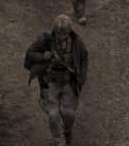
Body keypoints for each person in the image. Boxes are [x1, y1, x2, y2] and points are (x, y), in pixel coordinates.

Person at [25, 14, 89, 146]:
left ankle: (67, 132)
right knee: (53, 115)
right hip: (50, 82)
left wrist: (82, 77)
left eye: (64, 34)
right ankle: (58, 140)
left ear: (69, 31)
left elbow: (84, 58)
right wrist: (43, 56)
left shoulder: (77, 42)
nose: (61, 36)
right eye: (59, 33)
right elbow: (30, 53)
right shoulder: (46, 40)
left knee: (68, 113)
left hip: (68, 82)